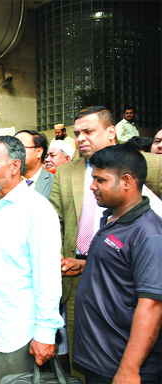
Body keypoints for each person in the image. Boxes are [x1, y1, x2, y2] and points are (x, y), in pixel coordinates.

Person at [49, 106, 162, 377]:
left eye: (89, 131)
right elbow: (54, 221)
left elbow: (150, 306)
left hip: (130, 284)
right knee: (84, 362)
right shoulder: (67, 173)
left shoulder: (141, 163)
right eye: (77, 133)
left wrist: (130, 369)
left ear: (111, 131)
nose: (81, 138)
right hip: (81, 275)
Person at [0, 136, 63, 384]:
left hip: (17, 334)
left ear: (15, 166)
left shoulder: (37, 210)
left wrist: (46, 333)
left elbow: (47, 277)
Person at [74, 144, 162, 383]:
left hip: (120, 364)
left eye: (100, 180)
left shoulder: (149, 234)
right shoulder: (112, 218)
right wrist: (83, 265)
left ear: (126, 181)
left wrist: (129, 369)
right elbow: (124, 270)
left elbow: (152, 306)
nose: (92, 186)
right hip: (99, 358)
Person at [15, 130, 54, 198]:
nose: (14, 152)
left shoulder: (54, 182)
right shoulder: (4, 182)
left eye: (20, 147)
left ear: (39, 152)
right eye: (12, 148)